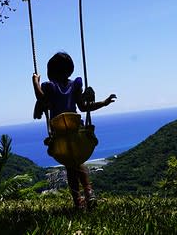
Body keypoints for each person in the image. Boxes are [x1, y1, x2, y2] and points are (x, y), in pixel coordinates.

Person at [32, 51, 116, 210]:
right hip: (76, 129)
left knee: (71, 166)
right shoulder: (75, 85)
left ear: (51, 71)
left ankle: (78, 201)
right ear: (69, 70)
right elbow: (84, 107)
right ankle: (88, 193)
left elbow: (42, 99)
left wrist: (35, 82)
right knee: (77, 163)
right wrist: (103, 103)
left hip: (61, 134)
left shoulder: (50, 87)